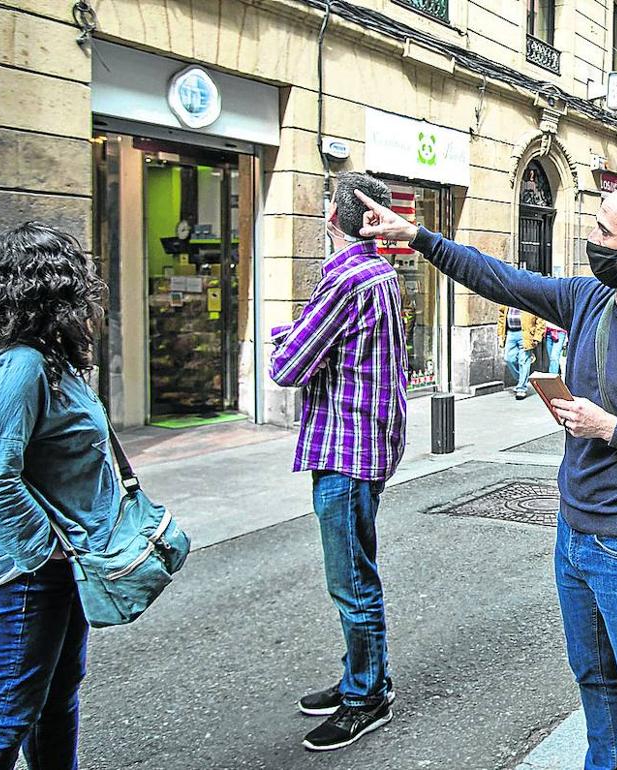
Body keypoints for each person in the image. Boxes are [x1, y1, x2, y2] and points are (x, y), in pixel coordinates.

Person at [356, 173, 617, 769]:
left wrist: (612, 429)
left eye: (606, 231)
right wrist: (417, 236)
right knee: (593, 681)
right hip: (572, 534)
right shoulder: (589, 300)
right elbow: (501, 279)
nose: (593, 239)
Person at [0, 223, 112, 769]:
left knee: (55, 696)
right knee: (8, 713)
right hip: (21, 570)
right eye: (78, 284)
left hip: (51, 563)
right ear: (50, 291)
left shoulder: (45, 360)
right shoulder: (18, 366)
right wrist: (49, 551)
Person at [268, 172, 408, 752]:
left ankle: (366, 696)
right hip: (367, 443)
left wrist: (286, 341)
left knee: (351, 579)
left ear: (334, 217)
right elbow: (324, 343)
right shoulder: (381, 274)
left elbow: (289, 366)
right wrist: (296, 336)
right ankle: (363, 675)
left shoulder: (346, 279)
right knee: (358, 571)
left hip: (346, 447)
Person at [498, 305, 546, 398]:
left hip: (525, 334)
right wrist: (500, 334)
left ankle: (521, 388)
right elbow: (501, 316)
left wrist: (537, 337)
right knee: (508, 358)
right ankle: (522, 378)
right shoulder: (507, 299)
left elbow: (540, 319)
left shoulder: (529, 299)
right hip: (510, 333)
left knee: (523, 361)